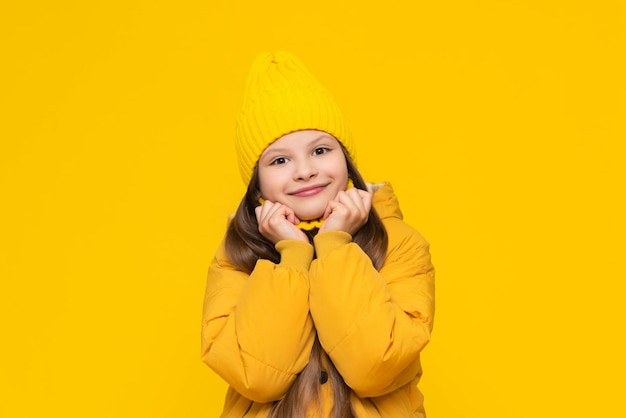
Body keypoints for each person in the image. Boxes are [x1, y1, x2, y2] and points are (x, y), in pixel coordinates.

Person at [201, 51, 435, 418]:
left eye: (321, 150)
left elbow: (374, 365)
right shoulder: (235, 256)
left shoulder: (400, 243)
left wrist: (334, 245)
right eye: (280, 160)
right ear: (257, 181)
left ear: (346, 160)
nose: (305, 171)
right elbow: (257, 376)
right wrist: (293, 255)